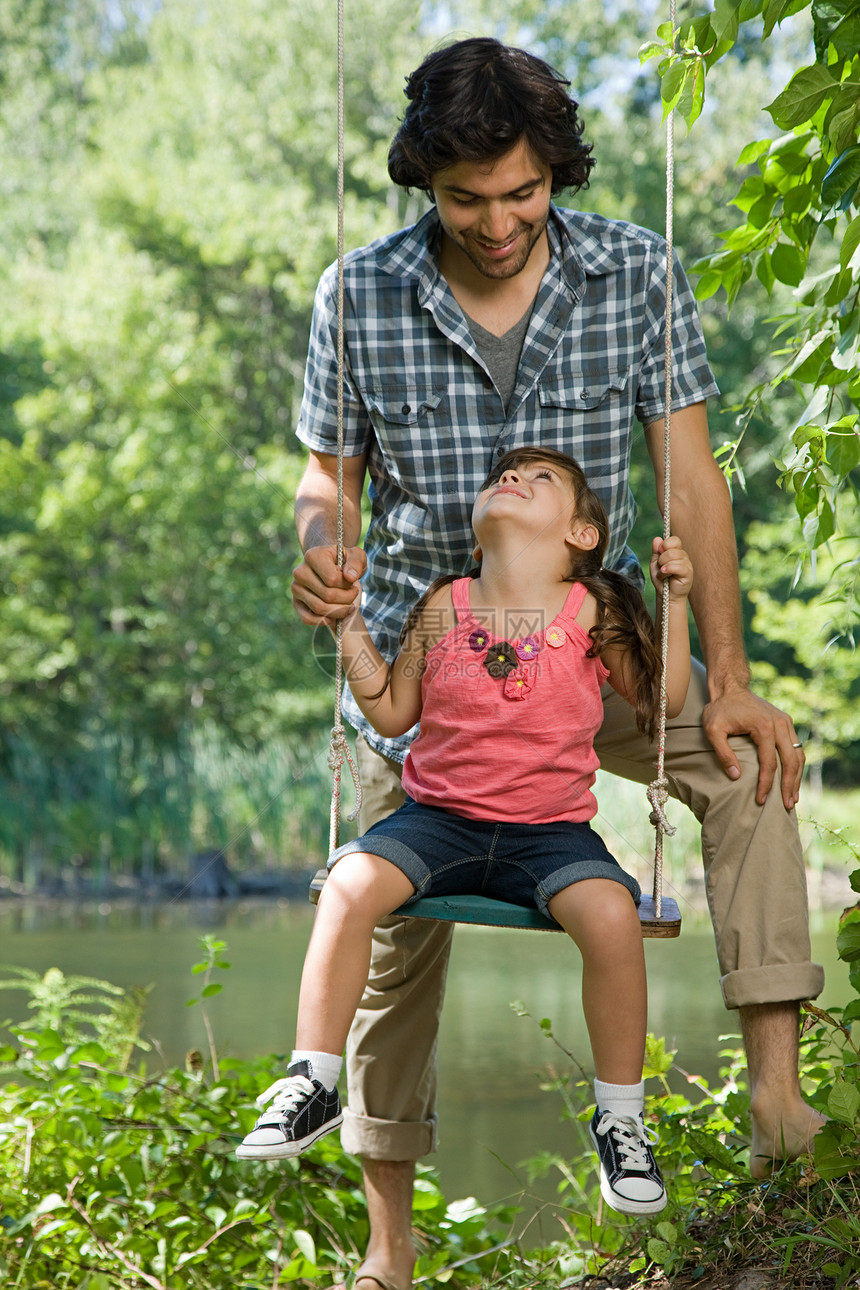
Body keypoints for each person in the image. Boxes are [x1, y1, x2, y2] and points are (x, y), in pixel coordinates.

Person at [288, 37, 825, 1290]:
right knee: (389, 928)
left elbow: (689, 478)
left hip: (607, 651)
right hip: (441, 679)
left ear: (555, 174)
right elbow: (328, 476)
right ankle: (388, 1245)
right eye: (463, 199)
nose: (494, 221)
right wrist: (323, 547)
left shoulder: (635, 272)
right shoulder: (355, 295)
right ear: (424, 182)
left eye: (520, 193)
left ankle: (777, 1107)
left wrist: (731, 674)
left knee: (749, 773)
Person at [239, 447, 695, 1221]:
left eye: (540, 478)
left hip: (552, 834)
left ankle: (621, 1117)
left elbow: (664, 703)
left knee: (616, 916)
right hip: (438, 822)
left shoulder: (593, 611)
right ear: (477, 524)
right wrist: (348, 624)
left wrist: (675, 602)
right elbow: (389, 712)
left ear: (582, 533)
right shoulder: (444, 604)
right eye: (502, 476)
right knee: (349, 885)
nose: (511, 479)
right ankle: (311, 1078)